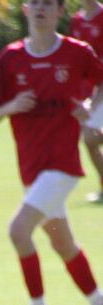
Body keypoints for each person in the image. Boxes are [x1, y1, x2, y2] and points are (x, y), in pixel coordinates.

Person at [0, 0, 103, 305]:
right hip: (31, 172)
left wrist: (92, 115)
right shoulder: (10, 58)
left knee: (18, 231)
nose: (40, 8)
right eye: (34, 1)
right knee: (62, 243)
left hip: (62, 168)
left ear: (60, 11)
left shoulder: (77, 53)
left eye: (48, 3)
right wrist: (11, 106)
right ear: (24, 8)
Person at [69, 0, 103, 201]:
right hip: (89, 88)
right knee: (89, 140)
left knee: (89, 138)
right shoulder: (77, 20)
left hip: (101, 86)